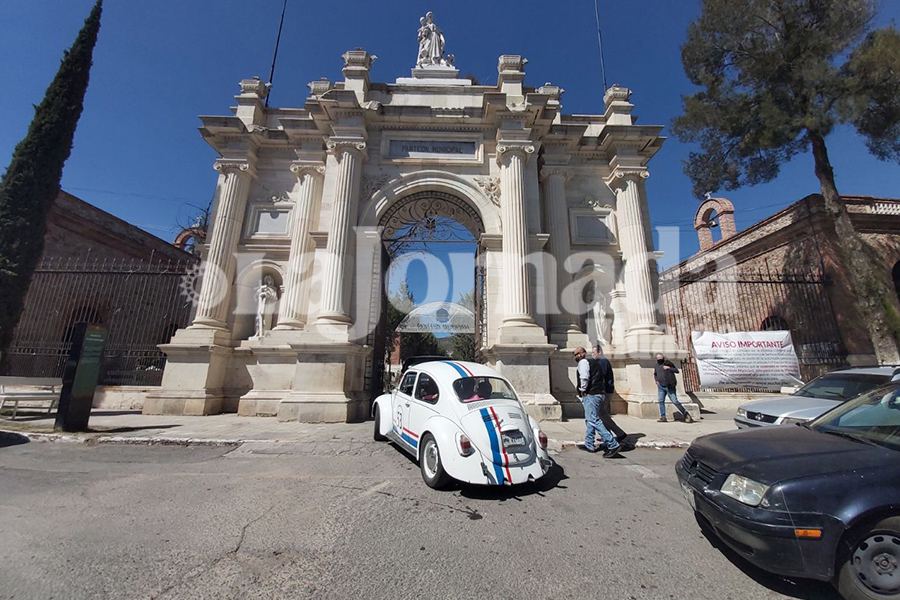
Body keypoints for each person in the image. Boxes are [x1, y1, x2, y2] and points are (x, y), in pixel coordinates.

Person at [575, 346, 621, 457]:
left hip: (591, 394)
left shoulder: (583, 363)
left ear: (582, 353)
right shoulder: (594, 362)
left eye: (577, 354)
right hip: (599, 394)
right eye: (575, 354)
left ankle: (612, 444)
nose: (575, 356)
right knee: (590, 419)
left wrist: (582, 390)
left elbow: (584, 378)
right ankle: (589, 443)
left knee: (593, 420)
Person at [590, 345, 629, 447]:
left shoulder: (602, 362)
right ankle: (611, 435)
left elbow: (600, 376)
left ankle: (615, 435)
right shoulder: (602, 361)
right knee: (603, 415)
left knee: (601, 415)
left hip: (604, 391)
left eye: (594, 352)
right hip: (605, 391)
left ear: (599, 352)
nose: (592, 354)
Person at [654, 353, 694, 423]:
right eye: (658, 359)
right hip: (661, 386)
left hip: (670, 386)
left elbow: (676, 370)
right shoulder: (656, 365)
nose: (659, 360)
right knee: (661, 401)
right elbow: (655, 374)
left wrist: (669, 368)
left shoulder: (668, 363)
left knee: (675, 401)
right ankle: (663, 417)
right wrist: (656, 380)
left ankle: (686, 414)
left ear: (663, 358)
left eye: (660, 358)